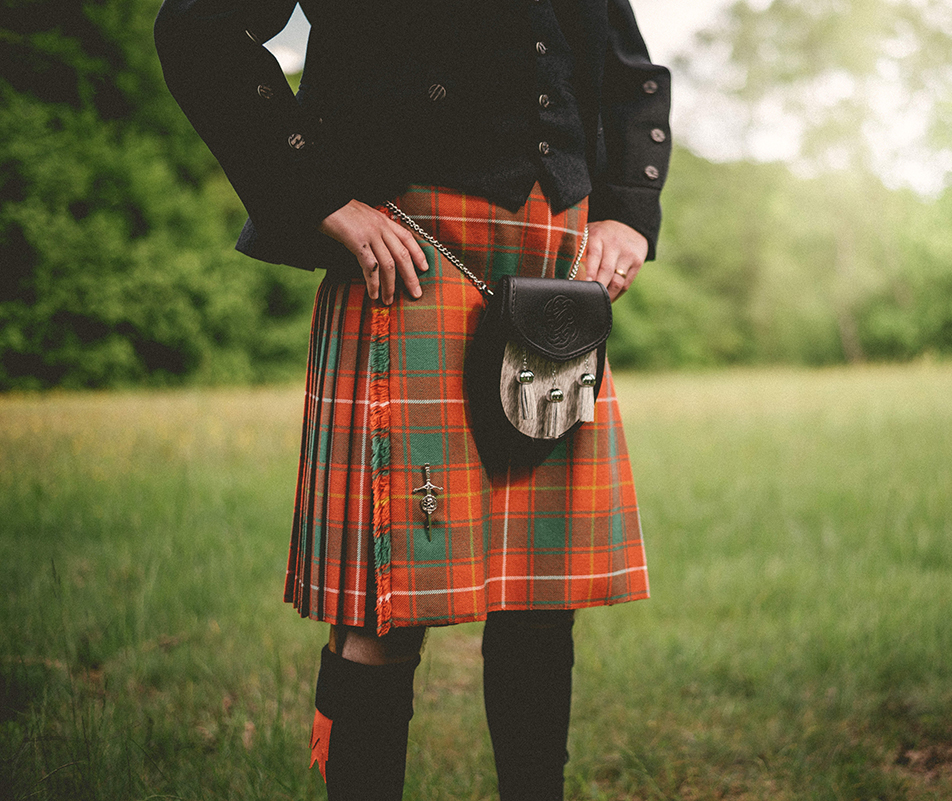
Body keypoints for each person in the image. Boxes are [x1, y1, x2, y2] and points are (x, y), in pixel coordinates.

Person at [154, 1, 670, 798]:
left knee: (542, 591)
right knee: (383, 606)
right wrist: (315, 191)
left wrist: (629, 213)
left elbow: (630, 76)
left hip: (552, 269)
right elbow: (200, 26)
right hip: (409, 251)